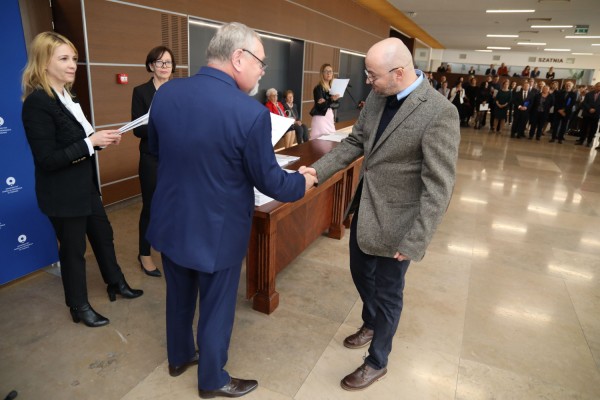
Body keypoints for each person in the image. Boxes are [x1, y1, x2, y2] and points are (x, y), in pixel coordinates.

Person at [145, 22, 316, 398]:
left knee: (178, 296)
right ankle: (211, 379)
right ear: (238, 57)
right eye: (260, 62)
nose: (261, 71)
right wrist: (303, 181)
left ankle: (179, 358)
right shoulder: (250, 113)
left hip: (172, 221)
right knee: (217, 308)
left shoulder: (168, 94)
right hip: (217, 231)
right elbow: (271, 181)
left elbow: (155, 150)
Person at [302, 37, 460, 392]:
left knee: (389, 291)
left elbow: (439, 185)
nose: (368, 82)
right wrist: (317, 171)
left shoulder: (439, 113)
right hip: (366, 208)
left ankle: (377, 361)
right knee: (360, 272)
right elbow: (357, 142)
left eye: (372, 75)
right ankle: (371, 321)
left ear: (399, 73)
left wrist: (417, 239)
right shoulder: (378, 96)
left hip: (402, 222)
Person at [21, 32, 143, 328]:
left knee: (104, 236)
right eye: (64, 58)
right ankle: (78, 306)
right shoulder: (37, 103)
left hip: (84, 187)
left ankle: (115, 282)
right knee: (74, 252)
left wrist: (100, 141)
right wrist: (91, 144)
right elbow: (48, 159)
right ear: (43, 63)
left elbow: (82, 140)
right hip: (62, 193)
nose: (73, 64)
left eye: (74, 58)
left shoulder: (68, 96)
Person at [131, 46, 176, 278]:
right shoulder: (141, 92)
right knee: (151, 206)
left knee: (174, 205)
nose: (164, 67)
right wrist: (166, 127)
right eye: (160, 63)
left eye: (168, 63)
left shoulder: (180, 90)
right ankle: (144, 253)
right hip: (151, 159)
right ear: (151, 66)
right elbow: (138, 129)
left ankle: (170, 247)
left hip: (177, 159)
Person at [310, 63, 340, 139]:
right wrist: (331, 99)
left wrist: (328, 101)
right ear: (322, 73)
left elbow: (337, 105)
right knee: (320, 143)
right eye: (326, 71)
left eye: (330, 71)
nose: (328, 73)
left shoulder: (332, 88)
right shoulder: (318, 88)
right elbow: (321, 107)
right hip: (320, 118)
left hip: (329, 117)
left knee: (331, 141)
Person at [576, 82, 600, 147]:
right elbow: (585, 103)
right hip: (587, 113)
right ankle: (581, 140)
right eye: (597, 86)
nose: (598, 87)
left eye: (599, 86)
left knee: (593, 129)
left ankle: (589, 142)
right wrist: (589, 109)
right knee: (584, 128)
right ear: (595, 86)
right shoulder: (589, 94)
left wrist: (595, 109)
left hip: (596, 114)